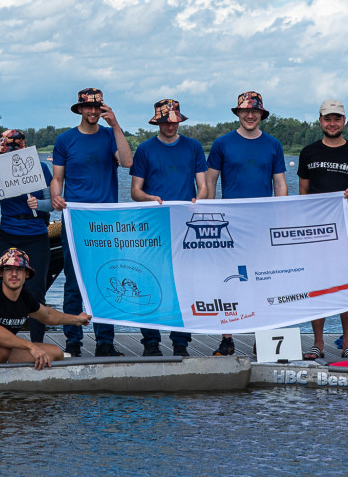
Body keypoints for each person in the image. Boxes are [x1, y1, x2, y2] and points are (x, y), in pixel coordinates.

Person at [50, 88, 133, 357]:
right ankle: (73, 340)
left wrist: (116, 124)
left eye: (97, 108)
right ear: (80, 109)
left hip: (106, 222)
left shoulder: (110, 136)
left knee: (107, 278)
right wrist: (54, 195)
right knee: (73, 282)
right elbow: (57, 179)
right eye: (88, 107)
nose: (93, 112)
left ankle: (105, 342)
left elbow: (128, 161)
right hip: (76, 220)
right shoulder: (65, 140)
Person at [206, 90, 288, 356]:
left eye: (255, 111)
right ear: (238, 113)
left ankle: (263, 336)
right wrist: (204, 213)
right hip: (230, 226)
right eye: (245, 111)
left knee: (263, 280)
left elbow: (280, 184)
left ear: (261, 115)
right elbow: (209, 182)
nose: (250, 115)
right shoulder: (222, 143)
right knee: (228, 280)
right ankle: (227, 338)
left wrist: (282, 217)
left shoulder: (273, 144)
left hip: (263, 225)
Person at [297, 99, 348, 360]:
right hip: (316, 230)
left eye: (337, 119)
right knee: (317, 283)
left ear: (344, 121)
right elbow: (303, 193)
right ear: (320, 121)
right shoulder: (308, 152)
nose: (332, 123)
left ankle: (347, 344)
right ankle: (318, 343)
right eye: (327, 119)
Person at [130, 98, 207, 357]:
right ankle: (150, 341)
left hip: (184, 226)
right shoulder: (144, 149)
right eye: (165, 121)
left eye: (173, 120)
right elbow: (135, 191)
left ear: (179, 120)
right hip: (152, 226)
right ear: (157, 122)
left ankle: (180, 342)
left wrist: (200, 199)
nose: (170, 125)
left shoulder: (194, 147)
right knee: (149, 282)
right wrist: (150, 199)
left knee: (183, 283)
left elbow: (204, 186)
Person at [0, 248, 91, 369]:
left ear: (27, 274)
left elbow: (47, 315)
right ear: (1, 273)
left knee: (55, 353)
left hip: (2, 351)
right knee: (0, 344)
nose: (14, 274)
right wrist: (31, 347)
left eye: (19, 269)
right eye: (8, 269)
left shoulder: (25, 297)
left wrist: (77, 319)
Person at [0, 129, 54, 345]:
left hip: (35, 234)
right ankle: (2, 342)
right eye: (2, 152)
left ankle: (37, 342)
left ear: (22, 148)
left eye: (7, 151)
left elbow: (52, 203)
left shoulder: (41, 168)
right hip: (8, 231)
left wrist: (39, 205)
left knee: (35, 291)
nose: (3, 156)